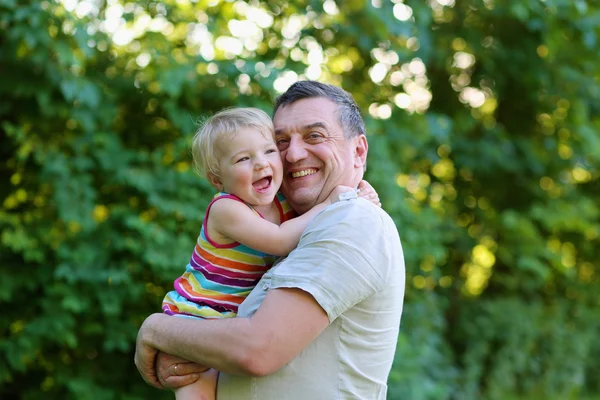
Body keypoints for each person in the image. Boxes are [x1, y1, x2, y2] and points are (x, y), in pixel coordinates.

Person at [135, 81, 405, 399]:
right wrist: (184, 347)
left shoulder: (350, 220)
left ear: (358, 152)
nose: (292, 154)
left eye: (314, 135)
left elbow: (257, 349)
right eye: (280, 142)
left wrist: (157, 330)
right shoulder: (289, 219)